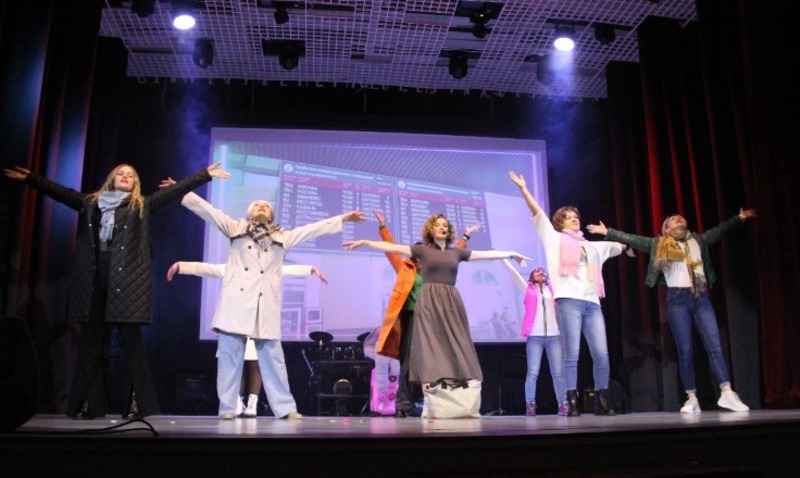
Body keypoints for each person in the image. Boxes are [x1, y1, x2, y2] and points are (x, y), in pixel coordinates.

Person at [3, 162, 231, 419]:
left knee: (131, 344)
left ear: (135, 183)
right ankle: (89, 403)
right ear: (112, 179)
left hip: (126, 284)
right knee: (90, 342)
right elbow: (61, 192)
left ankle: (138, 404)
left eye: (130, 175)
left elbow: (175, 192)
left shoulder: (142, 206)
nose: (125, 176)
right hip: (93, 280)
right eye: (121, 173)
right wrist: (31, 178)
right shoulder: (91, 204)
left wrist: (205, 174)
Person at [180, 191, 365, 420]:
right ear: (250, 213)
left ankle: (285, 408)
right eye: (257, 204)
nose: (261, 205)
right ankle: (227, 408)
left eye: (266, 205)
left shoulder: (283, 237)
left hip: (264, 303)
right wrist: (184, 191)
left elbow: (312, 229)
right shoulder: (235, 228)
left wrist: (344, 218)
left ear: (271, 215)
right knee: (229, 358)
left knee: (274, 360)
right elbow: (210, 212)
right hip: (235, 303)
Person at [344, 213, 528, 417]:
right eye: (438, 225)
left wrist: (510, 253)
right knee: (418, 356)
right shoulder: (418, 256)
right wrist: (366, 240)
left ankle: (450, 397)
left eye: (445, 225)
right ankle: (409, 403)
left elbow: (477, 255)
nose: (442, 227)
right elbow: (393, 249)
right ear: (430, 231)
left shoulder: (454, 253)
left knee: (453, 347)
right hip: (421, 310)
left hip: (448, 307)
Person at [586, 209, 756, 413]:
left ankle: (727, 393)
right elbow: (632, 239)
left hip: (701, 297)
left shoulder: (698, 240)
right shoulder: (658, 244)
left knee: (714, 347)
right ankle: (691, 398)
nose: (677, 219)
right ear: (666, 229)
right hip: (677, 300)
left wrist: (739, 218)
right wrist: (608, 232)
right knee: (685, 350)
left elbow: (720, 230)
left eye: (680, 218)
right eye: (673, 219)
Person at [509, 170, 626, 416]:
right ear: (559, 223)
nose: (574, 219)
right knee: (572, 354)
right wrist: (523, 189)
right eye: (568, 217)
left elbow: (622, 246)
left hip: (592, 304)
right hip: (569, 303)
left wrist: (610, 234)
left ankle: (602, 401)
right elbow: (537, 213)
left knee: (601, 354)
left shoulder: (593, 247)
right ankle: (571, 403)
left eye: (575, 217)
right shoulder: (554, 239)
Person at [166, 260, 328, 417]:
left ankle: (252, 403)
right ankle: (234, 402)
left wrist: (311, 269)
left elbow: (287, 270)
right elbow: (206, 268)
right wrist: (180, 266)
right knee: (233, 366)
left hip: (256, 325)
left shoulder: (268, 270)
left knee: (255, 364)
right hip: (234, 325)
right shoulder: (231, 268)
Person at [372, 210, 476, 417]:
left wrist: (465, 236)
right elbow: (391, 251)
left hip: (435, 318)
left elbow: (452, 253)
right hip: (412, 318)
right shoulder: (405, 268)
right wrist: (383, 227)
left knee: (436, 359)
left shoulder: (438, 267)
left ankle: (432, 401)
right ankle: (404, 404)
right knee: (408, 361)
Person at [500, 262, 569, 416]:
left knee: (558, 372)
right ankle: (530, 404)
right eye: (536, 271)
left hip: (554, 335)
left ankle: (563, 403)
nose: (540, 271)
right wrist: (503, 258)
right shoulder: (528, 289)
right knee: (532, 372)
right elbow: (513, 274)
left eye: (542, 270)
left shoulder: (553, 289)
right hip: (535, 336)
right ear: (531, 276)